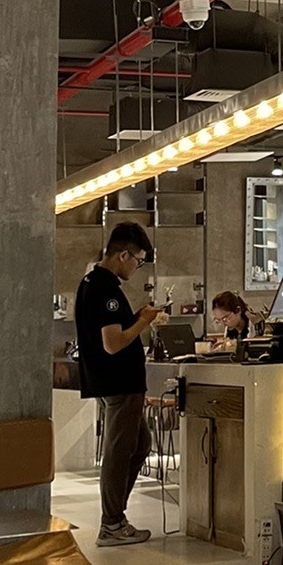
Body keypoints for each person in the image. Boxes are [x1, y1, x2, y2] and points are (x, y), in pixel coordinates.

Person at [75, 223, 164, 547]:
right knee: (119, 451)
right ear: (123, 255)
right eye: (138, 261)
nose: (137, 268)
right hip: (118, 384)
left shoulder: (94, 283)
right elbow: (112, 343)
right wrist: (144, 322)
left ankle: (116, 515)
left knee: (139, 445)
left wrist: (136, 316)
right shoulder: (104, 289)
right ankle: (111, 523)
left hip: (116, 382)